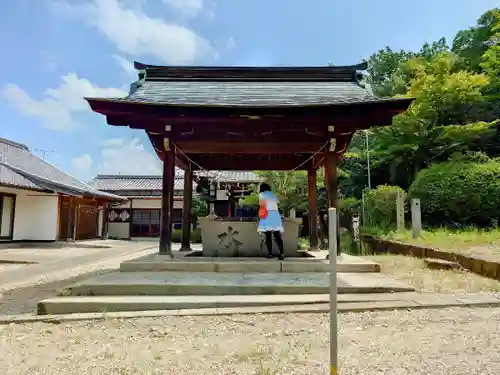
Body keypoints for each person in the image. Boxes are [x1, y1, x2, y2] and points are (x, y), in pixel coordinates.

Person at [257, 183, 285, 260]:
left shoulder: (261, 195)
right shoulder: (273, 194)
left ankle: (270, 253)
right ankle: (282, 253)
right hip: (275, 215)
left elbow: (261, 205)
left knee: (268, 235)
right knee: (277, 235)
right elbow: (278, 203)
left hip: (267, 214)